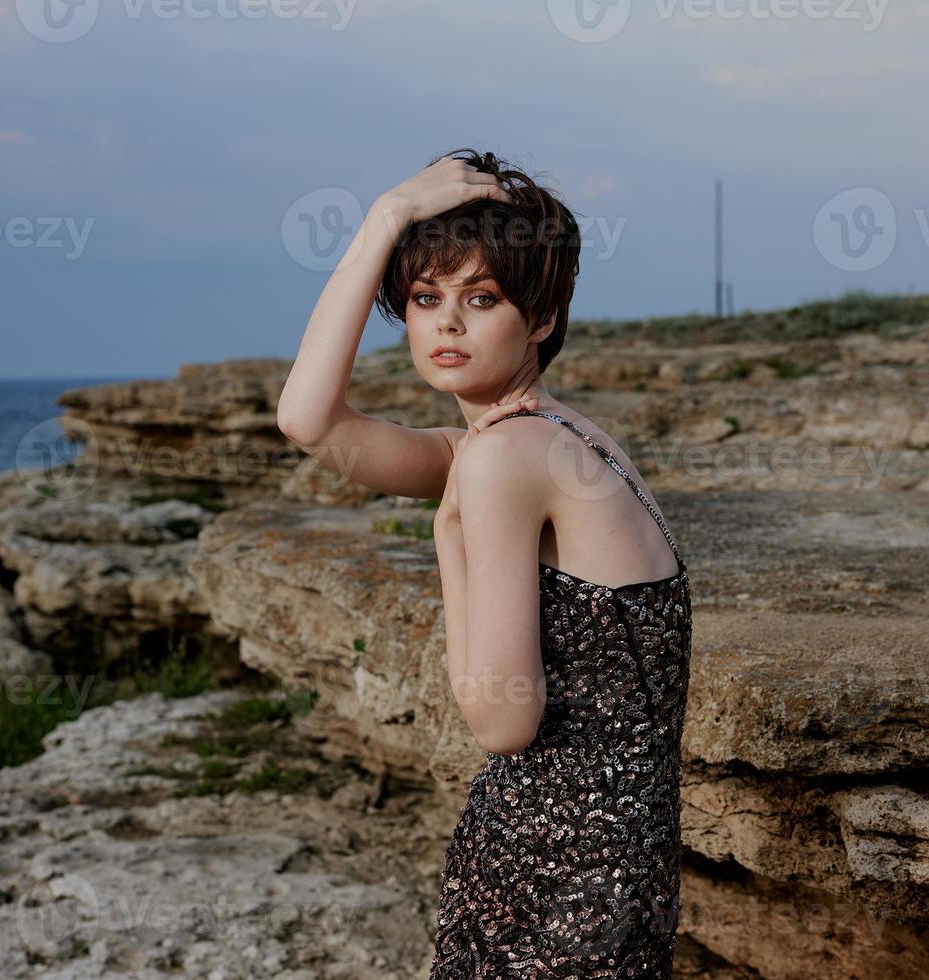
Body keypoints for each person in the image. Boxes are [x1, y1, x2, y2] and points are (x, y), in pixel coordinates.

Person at [277, 147, 692, 978]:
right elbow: (310, 422)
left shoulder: (507, 460)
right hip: (615, 866)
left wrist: (448, 539)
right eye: (426, 299)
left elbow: (502, 720)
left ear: (540, 319)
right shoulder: (559, 438)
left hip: (557, 873)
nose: (446, 324)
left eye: (482, 298)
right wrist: (385, 219)